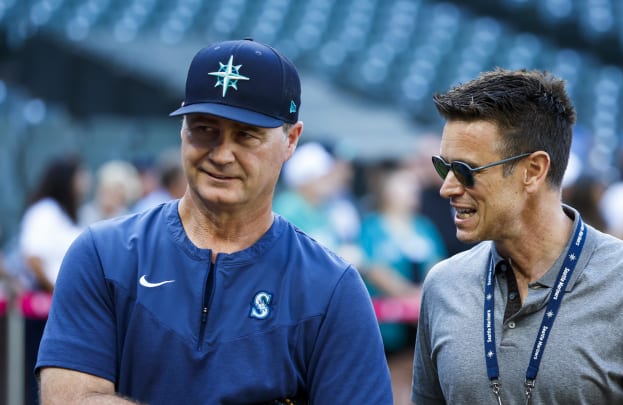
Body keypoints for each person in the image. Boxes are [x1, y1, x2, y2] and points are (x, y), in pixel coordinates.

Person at [36, 39, 393, 404]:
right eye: (204, 128)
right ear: (181, 129)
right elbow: (70, 399)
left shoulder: (331, 287)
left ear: (291, 140)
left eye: (246, 135)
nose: (222, 154)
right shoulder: (103, 254)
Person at [411, 68, 623, 404]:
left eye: (465, 171)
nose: (446, 187)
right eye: (443, 167)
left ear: (534, 170)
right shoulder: (443, 286)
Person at [358, 165, 445, 405]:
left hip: (419, 318)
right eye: (405, 185)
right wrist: (408, 294)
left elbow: (437, 264)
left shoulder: (423, 226)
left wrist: (421, 295)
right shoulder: (372, 226)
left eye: (413, 186)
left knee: (417, 376)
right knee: (391, 376)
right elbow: (372, 267)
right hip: (387, 323)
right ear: (388, 190)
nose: (412, 191)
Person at [16, 154, 90, 405]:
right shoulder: (44, 211)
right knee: (38, 371)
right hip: (42, 308)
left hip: (63, 306)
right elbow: (33, 257)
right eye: (80, 176)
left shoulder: (69, 214)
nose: (85, 182)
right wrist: (56, 290)